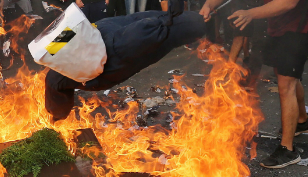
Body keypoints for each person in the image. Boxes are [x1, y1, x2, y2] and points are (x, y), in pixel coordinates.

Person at [200, 0, 308, 169]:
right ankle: (303, 121)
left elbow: (289, 1)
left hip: (298, 27)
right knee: (287, 76)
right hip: (273, 24)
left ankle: (287, 149)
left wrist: (250, 14)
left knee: (286, 83)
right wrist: (209, 4)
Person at [43, 10, 206, 120]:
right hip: (104, 35)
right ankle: (58, 116)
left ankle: (58, 118)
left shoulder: (127, 41)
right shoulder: (135, 33)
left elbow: (145, 32)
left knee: (156, 31)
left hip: (109, 48)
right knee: (156, 28)